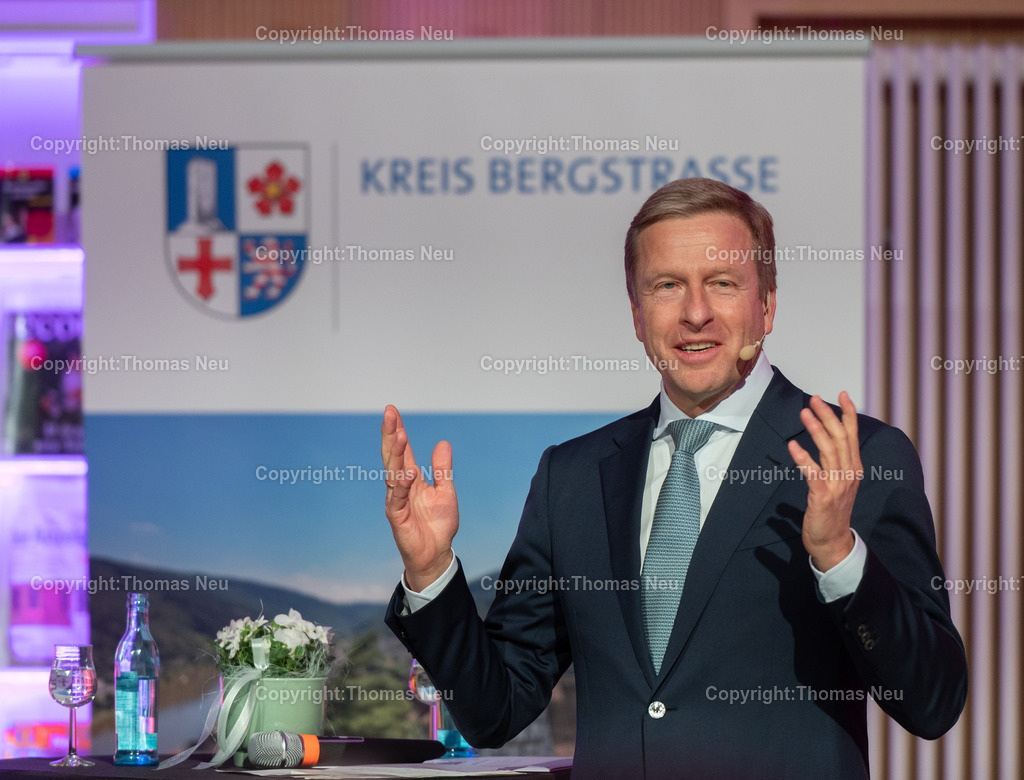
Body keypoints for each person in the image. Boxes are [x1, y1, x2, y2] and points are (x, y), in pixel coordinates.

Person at [381, 178, 967, 779]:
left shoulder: (852, 456)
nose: (695, 312)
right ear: (637, 315)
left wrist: (840, 557)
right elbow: (494, 710)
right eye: (667, 286)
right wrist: (431, 573)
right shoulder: (573, 476)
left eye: (722, 284)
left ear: (766, 305)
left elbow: (933, 702)